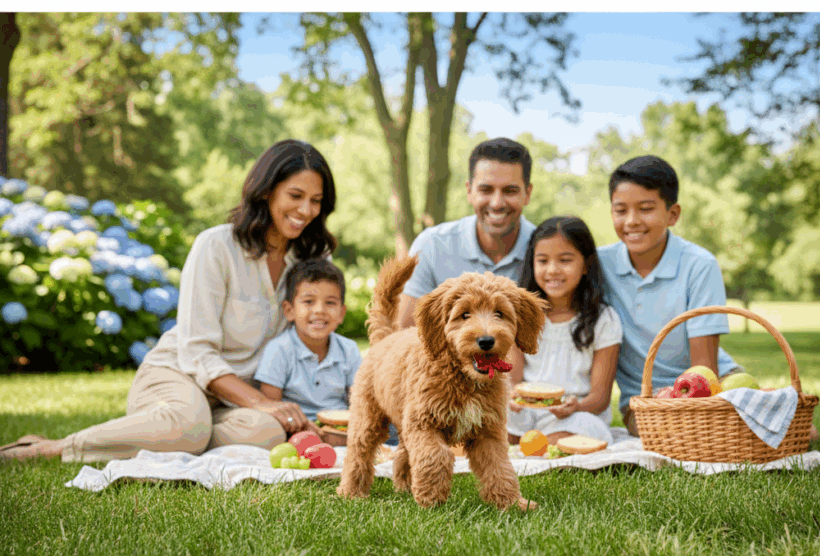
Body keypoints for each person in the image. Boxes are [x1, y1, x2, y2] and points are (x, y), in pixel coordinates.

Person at [0, 139, 340, 462]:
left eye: (316, 200)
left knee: (265, 434)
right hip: (177, 375)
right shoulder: (217, 246)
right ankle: (52, 449)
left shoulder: (310, 261)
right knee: (187, 425)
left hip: (232, 401)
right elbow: (196, 351)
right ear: (266, 191)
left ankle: (175, 438)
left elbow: (310, 344)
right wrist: (261, 402)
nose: (306, 210)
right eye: (295, 195)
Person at [596, 155, 742, 437]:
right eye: (620, 210)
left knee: (796, 431)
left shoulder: (699, 265)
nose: (632, 221)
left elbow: (704, 371)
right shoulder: (599, 265)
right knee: (667, 434)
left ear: (672, 214)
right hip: (646, 400)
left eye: (646, 209)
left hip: (714, 382)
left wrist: (697, 409)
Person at [397, 137, 536, 328]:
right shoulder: (431, 245)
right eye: (486, 190)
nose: (496, 203)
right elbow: (404, 332)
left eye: (509, 191)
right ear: (469, 191)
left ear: (527, 193)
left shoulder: (546, 253)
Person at [507, 216, 622, 445]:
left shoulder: (603, 319)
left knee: (577, 430)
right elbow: (512, 378)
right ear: (532, 264)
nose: (552, 270)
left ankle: (540, 443)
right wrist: (512, 397)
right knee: (488, 417)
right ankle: (528, 441)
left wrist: (575, 406)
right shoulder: (520, 316)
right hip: (527, 413)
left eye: (565, 260)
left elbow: (599, 398)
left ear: (585, 265)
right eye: (542, 261)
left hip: (576, 413)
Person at [255, 258, 362, 448]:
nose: (319, 310)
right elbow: (271, 407)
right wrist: (299, 427)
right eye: (308, 302)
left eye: (330, 303)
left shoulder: (349, 350)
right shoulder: (279, 350)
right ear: (289, 310)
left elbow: (359, 401)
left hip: (340, 429)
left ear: (341, 313)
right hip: (295, 427)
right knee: (270, 431)